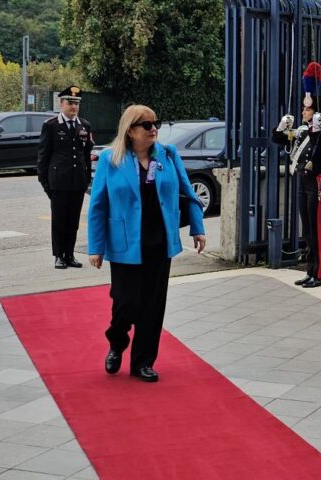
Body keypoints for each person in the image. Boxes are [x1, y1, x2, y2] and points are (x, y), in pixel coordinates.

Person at [87, 105, 206, 383]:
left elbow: (189, 194)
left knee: (152, 306)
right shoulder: (110, 159)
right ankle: (117, 342)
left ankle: (143, 361)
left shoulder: (167, 155)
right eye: (146, 124)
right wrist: (96, 246)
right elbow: (98, 206)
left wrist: (197, 228)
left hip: (159, 242)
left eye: (156, 123)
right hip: (126, 244)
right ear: (130, 130)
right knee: (125, 303)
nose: (153, 129)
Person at [271, 62, 321, 288]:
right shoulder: (300, 131)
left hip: (315, 182)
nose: (303, 112)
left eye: (307, 110)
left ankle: (318, 272)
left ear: (316, 113)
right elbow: (278, 140)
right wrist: (281, 126)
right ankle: (310, 270)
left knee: (316, 228)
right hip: (302, 180)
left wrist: (317, 129)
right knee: (307, 228)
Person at [37, 86, 94, 269]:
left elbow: (86, 155)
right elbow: (43, 156)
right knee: (59, 221)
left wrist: (86, 179)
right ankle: (59, 256)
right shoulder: (51, 125)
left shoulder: (84, 125)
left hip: (77, 182)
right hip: (58, 182)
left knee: (73, 221)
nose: (74, 107)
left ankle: (70, 254)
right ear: (61, 104)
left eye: (77, 103)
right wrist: (45, 183)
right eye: (70, 102)